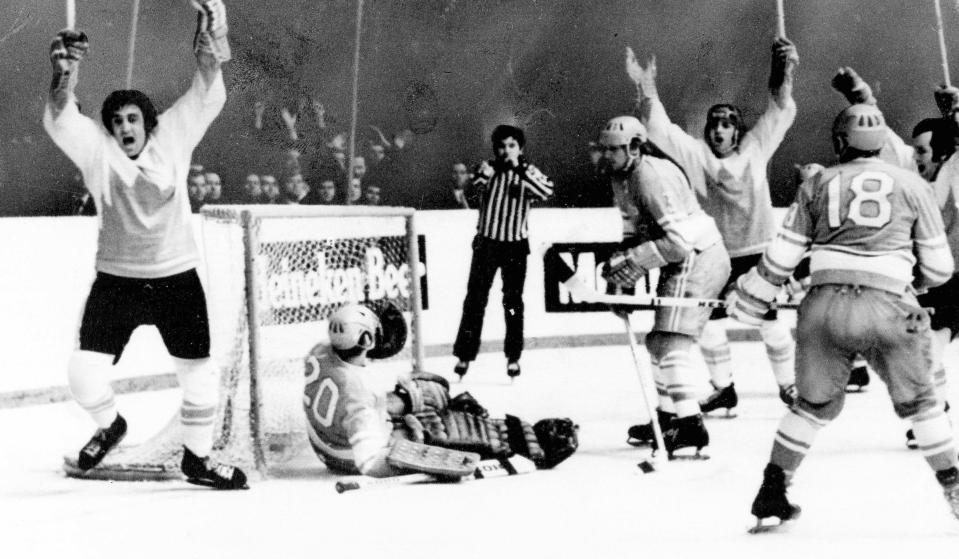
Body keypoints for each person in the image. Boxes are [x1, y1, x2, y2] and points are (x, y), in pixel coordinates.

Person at [43, 1, 247, 489]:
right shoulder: (98, 152)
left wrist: (212, 26)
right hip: (118, 281)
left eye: (132, 119)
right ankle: (110, 426)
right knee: (82, 373)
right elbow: (60, 116)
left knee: (198, 375)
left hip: (177, 278)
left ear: (147, 122)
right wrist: (63, 74)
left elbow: (206, 90)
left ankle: (197, 460)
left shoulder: (173, 138)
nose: (125, 128)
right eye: (116, 121)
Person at [727, 103, 959, 529]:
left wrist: (750, 297)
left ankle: (773, 488)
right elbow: (941, 268)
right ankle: (954, 489)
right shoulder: (912, 184)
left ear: (839, 142)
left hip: (822, 309)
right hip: (889, 306)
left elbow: (780, 260)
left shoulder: (816, 183)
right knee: (924, 405)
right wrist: (910, 283)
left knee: (811, 405)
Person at [627, 37, 800, 414]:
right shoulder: (695, 155)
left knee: (769, 322)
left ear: (738, 131)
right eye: (714, 124)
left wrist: (783, 72)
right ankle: (724, 389)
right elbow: (661, 128)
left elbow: (779, 110)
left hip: (757, 253)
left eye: (727, 124)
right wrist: (646, 85)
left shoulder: (756, 150)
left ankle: (789, 386)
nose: (719, 130)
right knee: (707, 325)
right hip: (717, 257)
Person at [589, 115, 731, 456]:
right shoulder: (622, 177)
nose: (606, 156)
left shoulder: (651, 176)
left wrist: (634, 262)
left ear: (635, 147)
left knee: (670, 343)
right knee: (658, 342)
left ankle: (690, 426)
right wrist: (621, 287)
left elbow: (679, 243)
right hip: (685, 257)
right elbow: (632, 233)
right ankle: (668, 419)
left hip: (697, 257)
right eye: (604, 149)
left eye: (614, 150)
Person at [833, 68, 959, 444]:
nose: (915, 157)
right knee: (921, 350)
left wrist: (956, 112)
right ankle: (940, 414)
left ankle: (938, 419)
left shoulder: (954, 170)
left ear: (944, 151)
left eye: (922, 150)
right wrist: (859, 94)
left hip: (954, 283)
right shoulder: (915, 173)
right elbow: (885, 140)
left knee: (925, 349)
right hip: (933, 282)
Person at [303, 304, 577, 477]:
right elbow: (370, 463)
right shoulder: (359, 394)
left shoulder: (321, 350)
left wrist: (404, 400)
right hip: (345, 454)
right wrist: (424, 462)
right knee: (442, 429)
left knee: (424, 391)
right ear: (364, 339)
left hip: (327, 435)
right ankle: (529, 442)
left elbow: (355, 397)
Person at [452, 125, 554, 379]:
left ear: (520, 148)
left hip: (514, 245)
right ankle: (465, 354)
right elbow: (474, 188)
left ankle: (513, 356)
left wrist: (519, 169)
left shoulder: (529, 171)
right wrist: (488, 172)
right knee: (475, 299)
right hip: (487, 243)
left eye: (511, 146)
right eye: (501, 146)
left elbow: (546, 192)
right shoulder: (487, 169)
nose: (506, 151)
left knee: (512, 302)